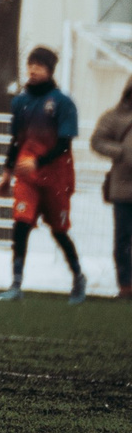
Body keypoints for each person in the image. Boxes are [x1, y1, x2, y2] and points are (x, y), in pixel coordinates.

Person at [0, 45, 88, 303]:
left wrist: (38, 162)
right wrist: (6, 173)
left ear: (50, 70)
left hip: (56, 177)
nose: (33, 69)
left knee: (59, 231)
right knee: (21, 224)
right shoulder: (20, 102)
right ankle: (16, 284)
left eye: (40, 65)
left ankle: (78, 278)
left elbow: (64, 144)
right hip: (27, 176)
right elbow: (16, 141)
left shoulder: (63, 103)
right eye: (31, 64)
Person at [92, 74, 132, 301]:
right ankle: (126, 286)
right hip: (124, 189)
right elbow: (97, 140)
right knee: (123, 240)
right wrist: (120, 152)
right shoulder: (115, 117)